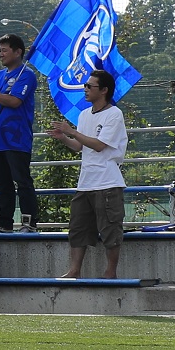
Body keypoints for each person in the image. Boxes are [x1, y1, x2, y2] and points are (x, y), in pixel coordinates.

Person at [52, 69, 128, 280]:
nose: (85, 89)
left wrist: (72, 131)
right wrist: (64, 138)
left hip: (107, 181)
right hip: (85, 182)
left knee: (110, 228)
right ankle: (74, 270)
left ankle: (110, 272)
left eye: (89, 86)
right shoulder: (84, 114)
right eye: (85, 85)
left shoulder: (114, 114)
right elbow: (80, 146)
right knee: (78, 228)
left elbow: (99, 145)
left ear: (104, 90)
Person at [0, 33, 41, 232]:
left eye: (4, 50)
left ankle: (29, 222)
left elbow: (15, 101)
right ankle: (4, 223)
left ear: (18, 52)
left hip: (16, 137)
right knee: (1, 183)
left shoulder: (26, 75)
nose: (0, 54)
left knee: (22, 180)